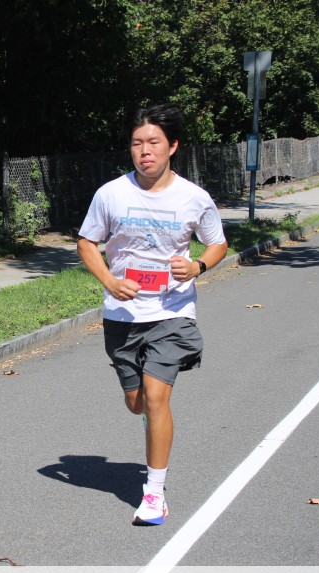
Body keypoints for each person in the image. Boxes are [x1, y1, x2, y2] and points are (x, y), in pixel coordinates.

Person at [76, 105, 228, 526]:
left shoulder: (194, 197)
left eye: (153, 143)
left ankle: (154, 493)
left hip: (172, 312)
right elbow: (86, 242)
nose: (144, 151)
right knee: (137, 402)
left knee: (157, 397)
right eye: (137, 143)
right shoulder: (111, 194)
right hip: (123, 314)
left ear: (172, 146)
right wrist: (109, 280)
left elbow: (218, 243)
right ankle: (150, 428)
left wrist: (198, 266)